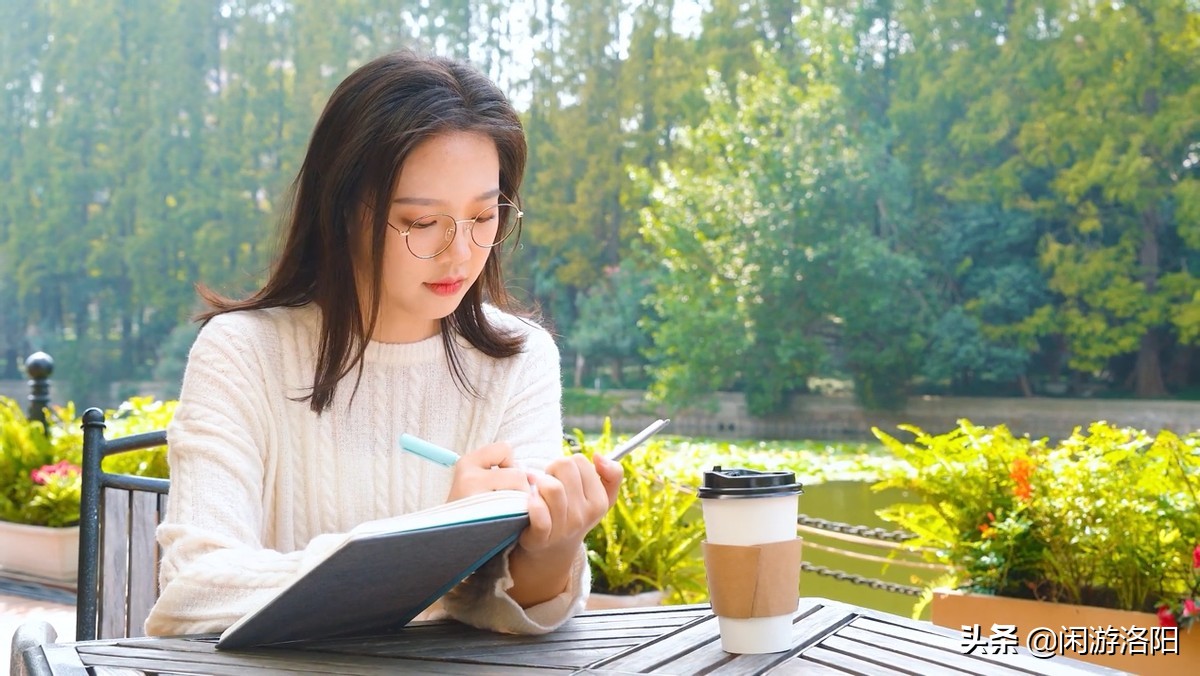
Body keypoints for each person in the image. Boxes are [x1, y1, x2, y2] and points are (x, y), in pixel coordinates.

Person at [144, 50, 623, 637]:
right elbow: (193, 592)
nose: (461, 252)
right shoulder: (243, 353)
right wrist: (434, 543)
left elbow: (506, 610)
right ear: (344, 211)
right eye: (423, 223)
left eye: (484, 216)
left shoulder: (520, 361)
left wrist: (553, 545)